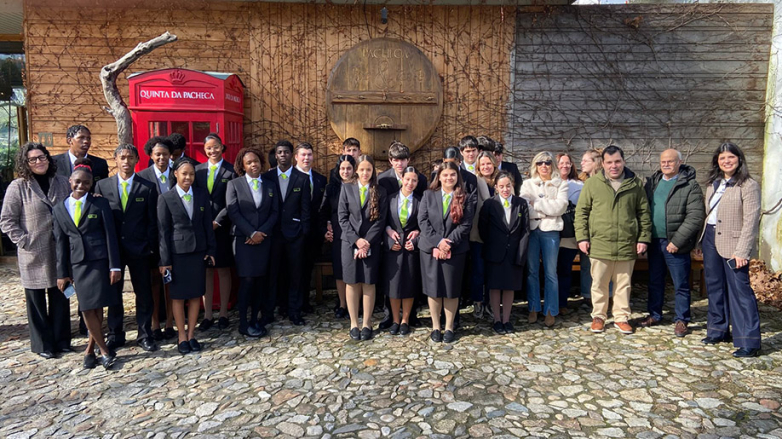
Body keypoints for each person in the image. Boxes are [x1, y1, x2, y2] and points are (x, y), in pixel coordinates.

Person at [0, 142, 72, 359]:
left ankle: (62, 340)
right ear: (26, 163)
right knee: (36, 300)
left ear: (48, 158)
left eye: (42, 157)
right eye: (33, 159)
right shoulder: (18, 186)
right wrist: (24, 241)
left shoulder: (62, 182)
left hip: (59, 250)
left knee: (61, 295)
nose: (39, 162)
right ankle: (42, 344)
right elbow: (6, 220)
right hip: (34, 252)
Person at [52, 158, 121, 369]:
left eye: (87, 183)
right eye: (78, 182)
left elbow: (110, 235)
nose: (81, 186)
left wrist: (114, 266)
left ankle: (92, 350)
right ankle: (104, 349)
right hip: (78, 265)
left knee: (97, 306)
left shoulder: (100, 203)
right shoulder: (59, 209)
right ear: (70, 181)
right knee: (87, 307)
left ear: (92, 184)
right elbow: (60, 244)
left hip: (99, 262)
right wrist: (62, 273)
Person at [575, 145, 651, 334]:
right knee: (599, 283)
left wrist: (643, 238)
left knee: (623, 284)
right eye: (609, 162)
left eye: (617, 161)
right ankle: (599, 316)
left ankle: (621, 317)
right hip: (599, 242)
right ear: (603, 164)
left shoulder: (635, 184)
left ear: (623, 161)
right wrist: (582, 237)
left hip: (626, 243)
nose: (613, 166)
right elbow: (582, 212)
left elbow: (643, 213)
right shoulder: (592, 184)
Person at [94, 144, 159, 353]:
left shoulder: (147, 187)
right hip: (113, 250)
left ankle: (145, 334)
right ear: (115, 159)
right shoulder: (102, 186)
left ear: (137, 160)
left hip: (139, 249)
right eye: (122, 157)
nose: (126, 161)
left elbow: (152, 221)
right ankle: (115, 334)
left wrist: (150, 247)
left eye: (130, 157)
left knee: (144, 293)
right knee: (114, 293)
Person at [699, 143, 762, 357]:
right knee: (715, 287)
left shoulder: (748, 185)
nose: (726, 161)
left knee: (740, 291)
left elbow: (751, 221)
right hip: (710, 239)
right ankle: (718, 330)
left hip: (734, 243)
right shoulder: (713, 184)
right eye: (722, 158)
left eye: (730, 157)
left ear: (739, 159)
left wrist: (742, 251)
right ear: (717, 161)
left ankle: (748, 340)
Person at [639, 149, 705, 337]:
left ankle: (682, 319)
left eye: (670, 161)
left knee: (680, 284)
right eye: (663, 161)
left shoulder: (690, 185)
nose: (666, 164)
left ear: (679, 162)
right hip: (654, 242)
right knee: (655, 281)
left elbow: (695, 216)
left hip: (676, 244)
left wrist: (677, 241)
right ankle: (654, 314)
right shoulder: (653, 183)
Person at [157, 157, 217, 354]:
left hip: (198, 252)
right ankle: (181, 336)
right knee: (178, 296)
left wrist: (211, 250)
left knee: (195, 294)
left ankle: (191, 335)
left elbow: (207, 224)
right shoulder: (166, 198)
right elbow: (163, 232)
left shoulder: (201, 195)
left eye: (191, 174)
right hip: (177, 254)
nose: (188, 178)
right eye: (184, 174)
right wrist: (165, 261)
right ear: (175, 174)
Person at [418, 161, 476, 343]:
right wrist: (438, 242)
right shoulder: (428, 195)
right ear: (439, 176)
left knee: (451, 289)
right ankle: (436, 326)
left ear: (457, 176)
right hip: (431, 249)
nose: (449, 178)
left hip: (455, 249)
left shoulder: (465, 197)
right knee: (433, 289)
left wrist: (448, 243)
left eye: (452, 174)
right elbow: (423, 221)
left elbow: (466, 224)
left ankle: (449, 326)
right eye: (445, 175)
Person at [226, 148, 279, 338]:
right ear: (242, 166)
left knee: (259, 280)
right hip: (243, 241)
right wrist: (251, 232)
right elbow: (233, 212)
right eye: (248, 162)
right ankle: (243, 322)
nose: (253, 165)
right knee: (247, 280)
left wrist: (261, 232)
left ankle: (255, 319)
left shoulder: (270, 185)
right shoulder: (234, 184)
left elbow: (274, 212)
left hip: (263, 239)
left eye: (256, 161)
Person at [376, 141, 427, 329]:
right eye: (396, 160)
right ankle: (390, 316)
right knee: (391, 280)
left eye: (403, 159)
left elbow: (424, 213)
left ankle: (409, 317)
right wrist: (388, 232)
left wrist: (419, 231)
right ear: (390, 161)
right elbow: (381, 214)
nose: (399, 163)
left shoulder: (420, 180)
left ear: (408, 160)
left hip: (411, 240)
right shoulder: (383, 179)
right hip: (393, 240)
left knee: (411, 280)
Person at [338, 155, 388, 341]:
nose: (365, 173)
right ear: (356, 171)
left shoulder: (380, 191)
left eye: (369, 169)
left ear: (373, 171)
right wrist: (356, 240)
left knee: (368, 282)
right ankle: (354, 323)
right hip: (349, 242)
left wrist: (366, 242)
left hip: (371, 243)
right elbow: (342, 217)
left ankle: (367, 322)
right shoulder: (347, 188)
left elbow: (380, 220)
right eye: (362, 169)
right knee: (351, 282)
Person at [262, 140, 311, 326]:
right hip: (273, 234)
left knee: (295, 275)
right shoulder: (267, 177)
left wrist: (303, 232)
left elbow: (305, 209)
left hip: (295, 235)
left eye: (286, 152)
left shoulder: (302, 178)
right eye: (280, 152)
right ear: (276, 155)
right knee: (272, 274)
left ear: (292, 155)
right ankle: (269, 312)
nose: (283, 155)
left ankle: (294, 311)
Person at [519, 151, 568, 327]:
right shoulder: (527, 184)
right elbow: (525, 208)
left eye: (547, 162)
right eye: (540, 163)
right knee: (532, 271)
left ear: (552, 164)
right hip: (532, 230)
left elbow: (560, 207)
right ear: (535, 165)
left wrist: (537, 204)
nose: (544, 166)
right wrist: (546, 210)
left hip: (551, 231)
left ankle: (550, 310)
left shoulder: (561, 184)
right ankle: (533, 307)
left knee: (551, 272)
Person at [479, 171, 530, 334]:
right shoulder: (489, 204)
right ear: (496, 187)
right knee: (494, 286)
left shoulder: (521, 203)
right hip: (494, 252)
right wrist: (493, 245)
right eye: (501, 186)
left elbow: (525, 230)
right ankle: (497, 319)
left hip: (514, 252)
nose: (505, 189)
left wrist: (521, 252)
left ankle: (506, 319)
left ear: (512, 185)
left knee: (509, 286)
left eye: (508, 186)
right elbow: (483, 228)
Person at [195, 133, 236, 331]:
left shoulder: (231, 171)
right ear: (204, 150)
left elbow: (232, 201)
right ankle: (208, 314)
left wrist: (218, 221)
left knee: (223, 269)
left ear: (222, 146)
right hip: (203, 228)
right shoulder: (198, 171)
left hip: (222, 227)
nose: (213, 151)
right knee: (207, 271)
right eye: (209, 148)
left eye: (216, 146)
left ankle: (224, 313)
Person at [137, 136, 177, 340]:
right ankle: (154, 323)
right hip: (152, 235)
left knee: (170, 280)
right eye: (158, 154)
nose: (162, 158)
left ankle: (170, 321)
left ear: (171, 155)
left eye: (165, 154)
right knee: (153, 280)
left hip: (175, 234)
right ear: (151, 156)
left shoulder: (177, 174)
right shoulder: (142, 176)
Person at [383, 166, 422, 336]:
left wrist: (417, 237)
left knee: (409, 284)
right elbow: (382, 224)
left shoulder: (421, 201)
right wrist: (389, 240)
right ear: (402, 179)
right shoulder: (390, 199)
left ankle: (405, 319)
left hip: (410, 249)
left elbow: (425, 226)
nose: (410, 183)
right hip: (394, 248)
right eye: (407, 179)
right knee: (393, 285)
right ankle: (395, 320)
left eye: (414, 180)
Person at [320, 155, 356, 319]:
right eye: (342, 168)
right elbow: (323, 212)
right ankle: (342, 304)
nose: (345, 171)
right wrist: (326, 228)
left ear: (354, 170)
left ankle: (355, 304)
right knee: (340, 269)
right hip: (338, 233)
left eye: (349, 168)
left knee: (354, 269)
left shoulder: (359, 186)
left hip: (356, 232)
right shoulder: (331, 188)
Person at [294, 142, 327, 314]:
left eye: (309, 154)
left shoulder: (320, 179)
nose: (306, 158)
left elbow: (323, 207)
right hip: (294, 231)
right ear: (296, 157)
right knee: (294, 269)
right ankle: (292, 304)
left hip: (314, 233)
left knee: (307, 268)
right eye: (303, 154)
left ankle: (305, 302)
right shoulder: (290, 177)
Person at [468, 151, 495, 320]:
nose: (486, 167)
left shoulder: (502, 180)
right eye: (482, 164)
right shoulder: (475, 181)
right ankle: (478, 302)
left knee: (493, 271)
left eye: (488, 163)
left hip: (498, 235)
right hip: (478, 232)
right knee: (478, 270)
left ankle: (491, 303)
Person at [555, 153, 583, 315]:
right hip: (552, 232)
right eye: (561, 163)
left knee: (565, 269)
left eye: (568, 163)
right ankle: (549, 302)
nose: (565, 166)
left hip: (570, 235)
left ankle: (562, 302)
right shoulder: (549, 183)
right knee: (551, 271)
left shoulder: (579, 186)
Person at [576, 149, 603, 301]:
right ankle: (587, 296)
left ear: (595, 163)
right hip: (587, 230)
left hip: (601, 231)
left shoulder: (604, 182)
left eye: (585, 160)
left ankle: (606, 297)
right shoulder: (582, 182)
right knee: (586, 264)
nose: (581, 163)